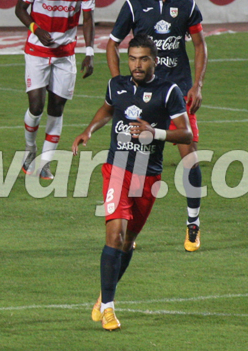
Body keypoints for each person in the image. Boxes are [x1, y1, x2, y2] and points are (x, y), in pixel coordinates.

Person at [73, 35, 191, 331]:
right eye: (132, 59)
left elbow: (186, 134)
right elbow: (108, 108)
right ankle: (110, 309)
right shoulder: (118, 85)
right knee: (114, 234)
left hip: (148, 174)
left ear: (155, 61)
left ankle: (105, 294)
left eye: (143, 59)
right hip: (117, 168)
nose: (137, 65)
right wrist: (89, 130)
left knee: (127, 242)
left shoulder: (169, 92)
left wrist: (156, 133)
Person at [105, 0, 207, 251]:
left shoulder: (186, 6)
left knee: (189, 156)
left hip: (176, 94)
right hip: (143, 99)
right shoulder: (134, 6)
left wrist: (197, 85)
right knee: (133, 160)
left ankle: (193, 222)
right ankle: (130, 230)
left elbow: (200, 45)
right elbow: (112, 45)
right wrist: (119, 84)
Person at [14, 0, 95, 180]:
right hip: (37, 51)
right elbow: (19, 8)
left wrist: (89, 51)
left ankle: (45, 163)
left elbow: (88, 18)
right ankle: (30, 151)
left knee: (57, 108)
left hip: (64, 54)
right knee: (36, 107)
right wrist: (36, 30)